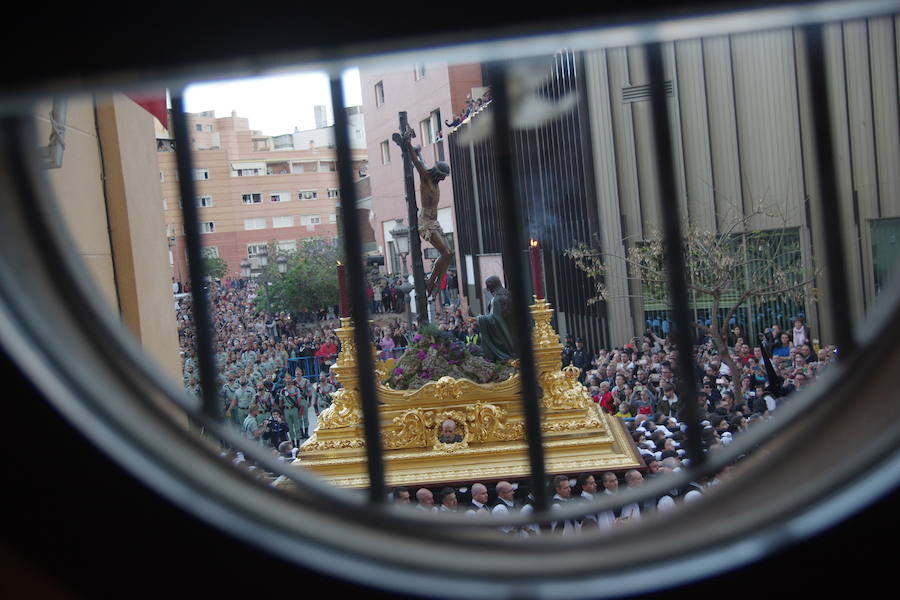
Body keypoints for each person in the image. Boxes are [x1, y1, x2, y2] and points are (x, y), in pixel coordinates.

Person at [397, 130, 453, 298]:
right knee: (446, 253)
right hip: (425, 223)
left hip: (435, 222)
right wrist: (408, 144)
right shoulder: (426, 178)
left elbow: (423, 159)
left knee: (449, 254)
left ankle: (434, 284)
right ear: (437, 173)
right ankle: (431, 282)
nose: (443, 180)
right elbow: (417, 162)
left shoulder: (435, 181)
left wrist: (420, 153)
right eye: (443, 177)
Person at [475, 275, 516, 362]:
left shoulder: (496, 300)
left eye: (488, 287)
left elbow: (494, 319)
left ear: (491, 287)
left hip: (505, 338)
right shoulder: (508, 294)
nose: (488, 290)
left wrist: (479, 319)